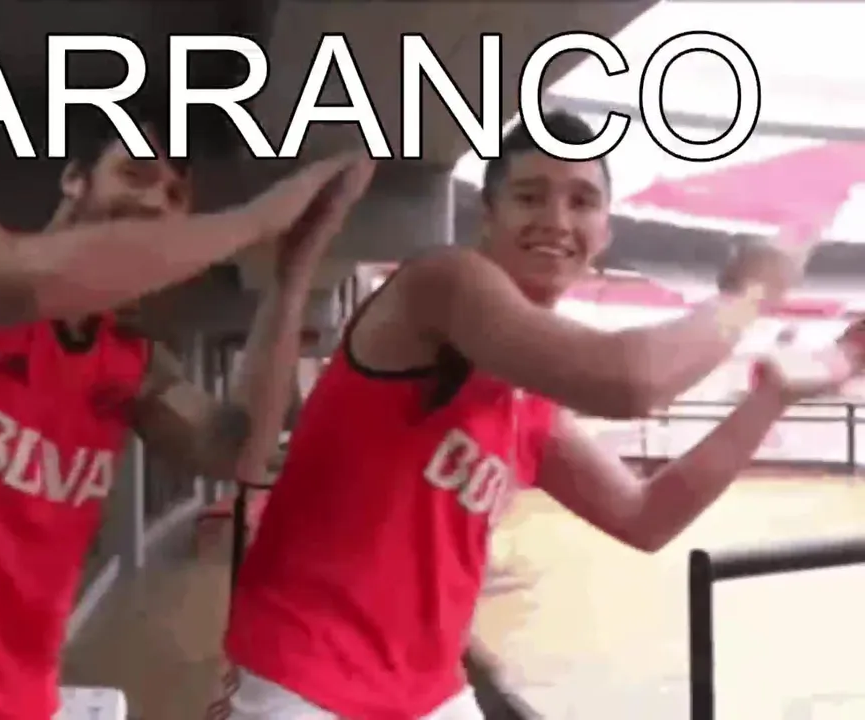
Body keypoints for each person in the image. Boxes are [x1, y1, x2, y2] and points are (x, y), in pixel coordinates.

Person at [215, 112, 864, 720]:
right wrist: (749, 294)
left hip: (428, 690)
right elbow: (630, 380)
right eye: (530, 196)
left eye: (581, 201)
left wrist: (770, 399)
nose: (556, 219)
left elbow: (646, 516)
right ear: (487, 217)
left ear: (604, 232)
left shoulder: (529, 403)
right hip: (306, 678)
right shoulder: (441, 283)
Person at [0, 104, 377, 720]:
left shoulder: (130, 362)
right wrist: (258, 219)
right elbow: (31, 282)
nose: (155, 203)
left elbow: (237, 450)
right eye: (135, 174)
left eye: (174, 196)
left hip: (18, 703)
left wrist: (292, 277)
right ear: (73, 179)